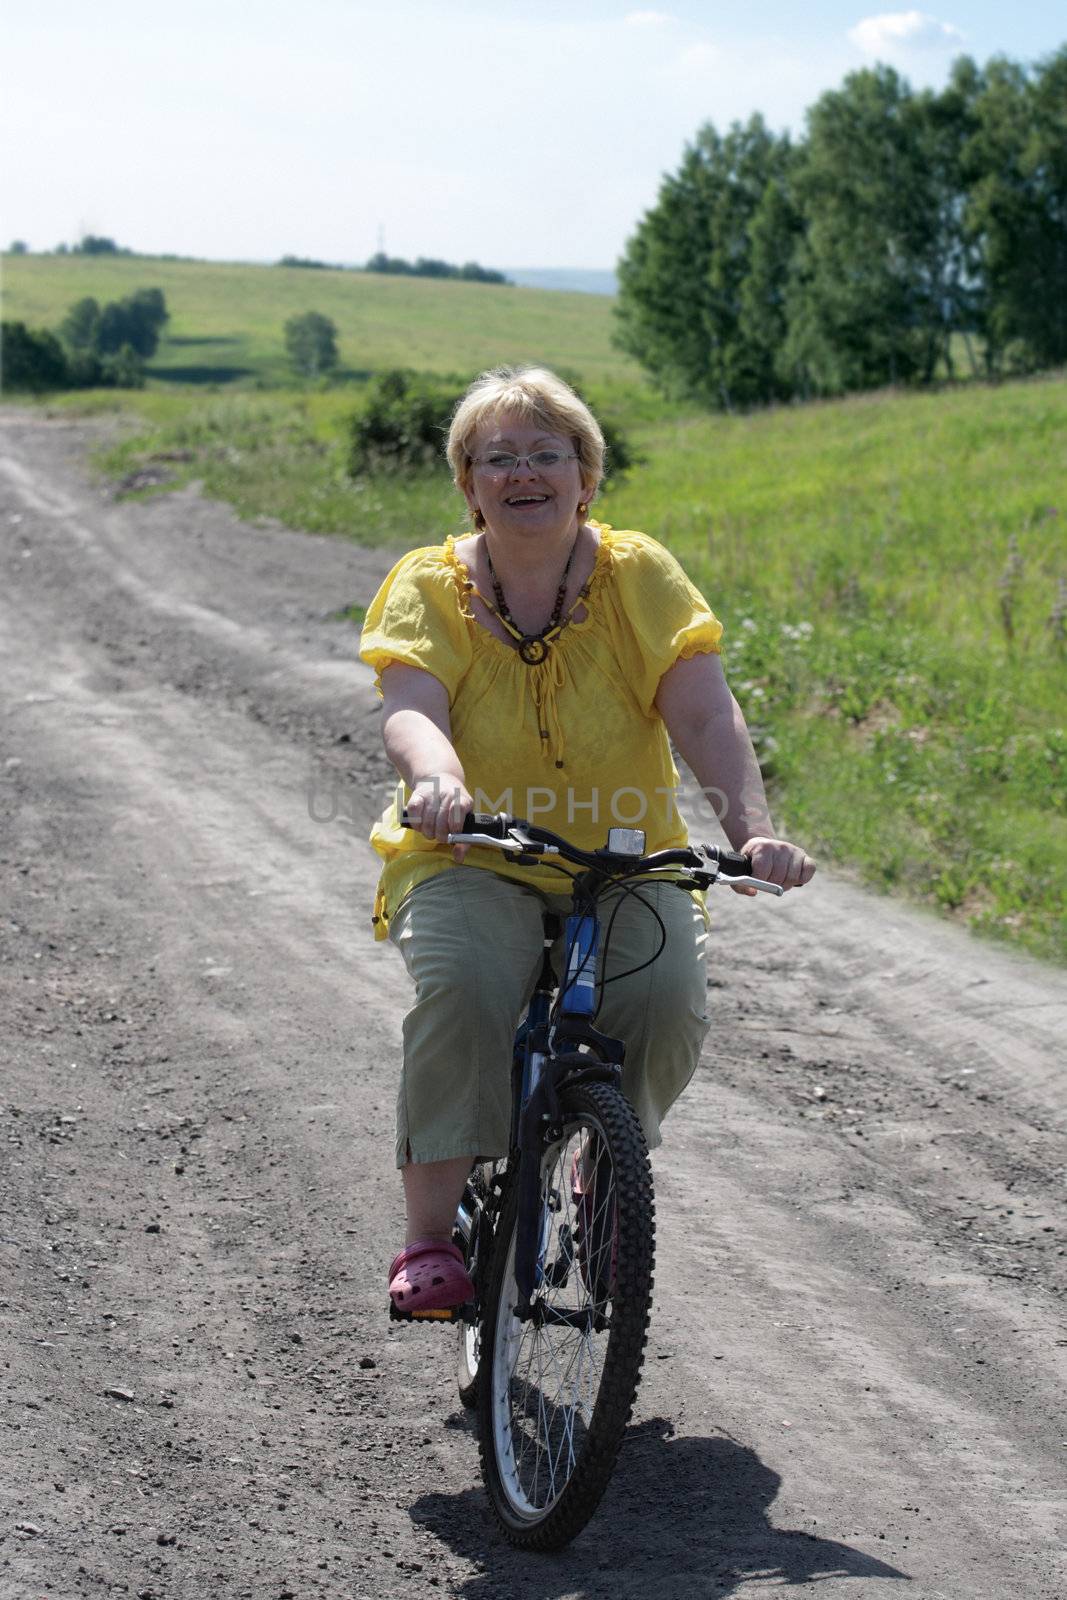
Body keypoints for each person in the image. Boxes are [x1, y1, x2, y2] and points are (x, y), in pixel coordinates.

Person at [359, 365, 815, 1314]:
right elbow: (412, 705)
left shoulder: (636, 574)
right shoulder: (427, 583)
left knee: (665, 999)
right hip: (472, 851)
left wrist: (751, 833)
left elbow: (702, 713)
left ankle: (606, 1173)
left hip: (621, 855)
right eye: (498, 459)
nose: (523, 473)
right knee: (466, 986)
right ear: (468, 483)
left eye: (546, 454)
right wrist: (438, 779)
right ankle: (430, 1240)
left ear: (585, 475)